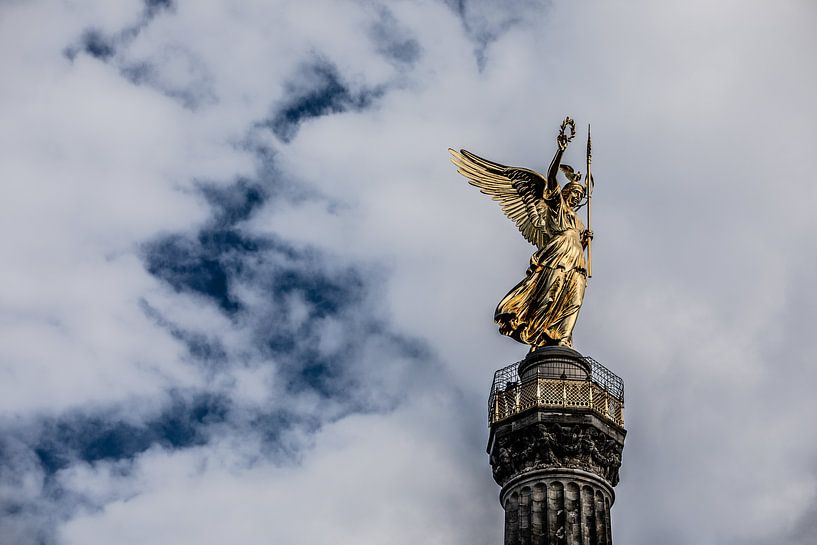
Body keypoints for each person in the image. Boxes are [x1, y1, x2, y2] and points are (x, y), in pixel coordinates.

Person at [493, 131, 593, 348]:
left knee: (574, 299)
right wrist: (561, 151)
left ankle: (563, 339)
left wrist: (584, 241)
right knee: (548, 296)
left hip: (577, 262)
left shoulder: (578, 223)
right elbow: (551, 178)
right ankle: (540, 335)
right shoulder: (557, 206)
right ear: (565, 193)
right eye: (574, 193)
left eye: (580, 196)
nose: (577, 197)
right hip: (556, 257)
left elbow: (578, 243)